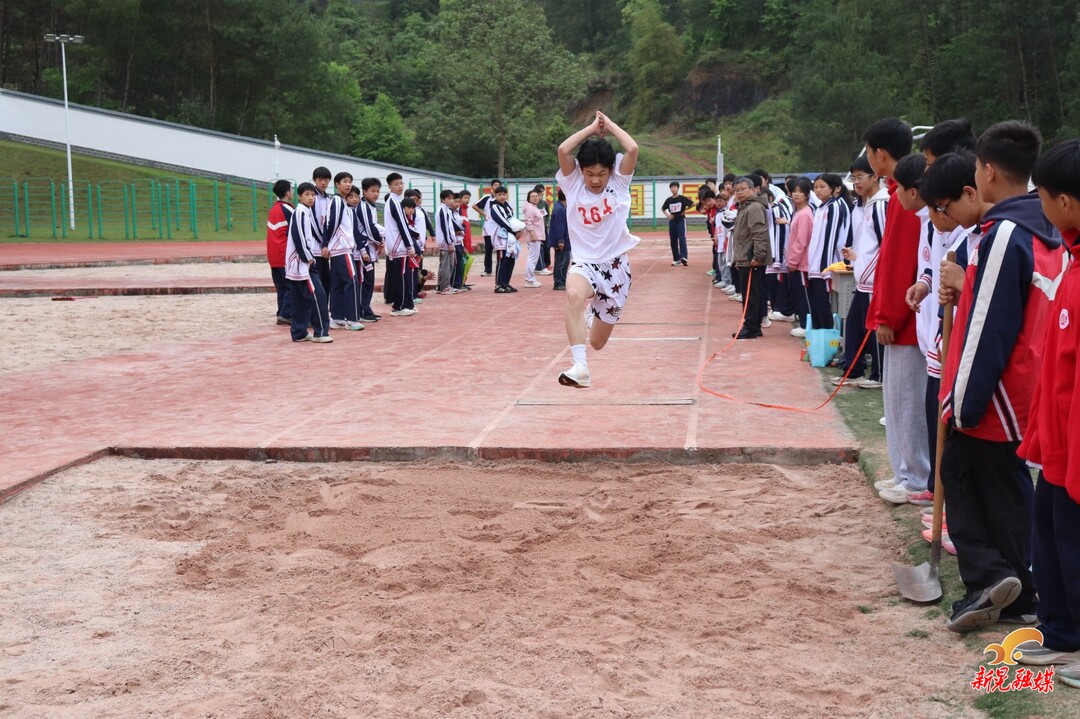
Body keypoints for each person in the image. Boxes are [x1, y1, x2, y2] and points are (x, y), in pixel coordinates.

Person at [928, 121, 1062, 633]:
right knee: (1003, 485)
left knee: (961, 471)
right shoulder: (1039, 225)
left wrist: (962, 400)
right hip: (1023, 382)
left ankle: (991, 576)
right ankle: (1020, 586)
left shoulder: (1005, 232)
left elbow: (990, 323)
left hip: (998, 386)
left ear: (985, 171)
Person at [1015, 139, 1080, 684]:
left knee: (1074, 543)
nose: (1038, 206)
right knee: (1052, 538)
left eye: (1042, 196)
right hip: (1057, 442)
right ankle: (1061, 634)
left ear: (1066, 202)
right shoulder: (1071, 260)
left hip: (1076, 448)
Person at [863, 117, 931, 502]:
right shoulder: (896, 193)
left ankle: (915, 477)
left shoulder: (906, 196)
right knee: (896, 399)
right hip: (898, 314)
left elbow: (902, 263)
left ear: (880, 153)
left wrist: (887, 316)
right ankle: (904, 471)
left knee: (907, 400)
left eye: (869, 152)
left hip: (906, 318)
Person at [555, 111, 640, 388]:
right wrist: (592, 129)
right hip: (584, 263)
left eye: (601, 174)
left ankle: (593, 316)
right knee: (573, 294)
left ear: (610, 171)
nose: (595, 180)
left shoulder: (619, 182)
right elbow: (563, 150)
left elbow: (632, 148)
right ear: (581, 171)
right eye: (590, 173)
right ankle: (580, 367)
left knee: (598, 342)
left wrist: (610, 126)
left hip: (616, 270)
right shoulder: (573, 184)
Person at [835, 155, 886, 389]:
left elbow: (885, 245)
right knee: (855, 324)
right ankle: (853, 370)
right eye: (853, 178)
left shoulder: (881, 204)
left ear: (874, 176)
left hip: (873, 280)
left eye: (860, 177)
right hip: (864, 277)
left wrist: (870, 269)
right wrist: (857, 258)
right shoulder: (866, 205)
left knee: (873, 329)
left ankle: (878, 374)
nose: (856, 182)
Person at [284, 182, 332, 343]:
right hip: (302, 264)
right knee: (318, 295)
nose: (311, 198)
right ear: (299, 197)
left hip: (298, 264)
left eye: (312, 195)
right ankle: (321, 332)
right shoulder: (300, 212)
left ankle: (299, 332)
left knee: (299, 299)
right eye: (307, 195)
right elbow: (298, 236)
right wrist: (308, 257)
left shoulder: (306, 212)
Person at [804, 173, 851, 332]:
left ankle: (827, 336)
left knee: (825, 303)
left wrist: (825, 266)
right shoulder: (821, 207)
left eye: (822, 187)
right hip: (815, 263)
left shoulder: (834, 207)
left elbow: (831, 238)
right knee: (816, 303)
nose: (818, 190)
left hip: (826, 265)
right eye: (816, 187)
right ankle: (818, 335)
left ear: (834, 188)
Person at [730, 176, 771, 339]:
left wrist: (758, 256)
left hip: (751, 259)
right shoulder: (744, 206)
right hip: (745, 257)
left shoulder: (754, 207)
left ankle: (750, 327)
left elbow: (759, 233)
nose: (739, 193)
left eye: (742, 189)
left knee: (751, 295)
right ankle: (754, 326)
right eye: (736, 190)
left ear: (752, 190)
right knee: (752, 293)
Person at [323, 172, 363, 331]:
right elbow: (331, 223)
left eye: (350, 181)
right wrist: (326, 243)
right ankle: (352, 318)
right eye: (345, 181)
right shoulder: (338, 201)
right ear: (337, 184)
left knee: (338, 284)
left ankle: (337, 317)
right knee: (351, 281)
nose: (348, 184)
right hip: (342, 248)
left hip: (339, 248)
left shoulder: (343, 203)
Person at [383, 173, 418, 317]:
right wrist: (410, 246)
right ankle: (399, 306)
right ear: (390, 186)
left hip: (397, 244)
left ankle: (406, 304)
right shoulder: (394, 202)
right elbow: (402, 225)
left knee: (405, 276)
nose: (400, 186)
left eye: (401, 183)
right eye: (396, 184)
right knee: (401, 277)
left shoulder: (397, 201)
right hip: (399, 245)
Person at [784, 177, 815, 338]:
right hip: (798, 262)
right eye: (794, 191)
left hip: (802, 263)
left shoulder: (805, 214)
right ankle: (804, 323)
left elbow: (802, 241)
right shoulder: (799, 212)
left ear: (807, 195)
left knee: (804, 295)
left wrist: (793, 261)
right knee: (799, 293)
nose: (796, 194)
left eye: (800, 192)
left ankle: (806, 325)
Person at [354, 178, 383, 323]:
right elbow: (369, 228)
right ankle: (362, 310)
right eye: (372, 191)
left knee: (369, 280)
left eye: (377, 191)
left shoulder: (371, 206)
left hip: (370, 249)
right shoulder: (363, 206)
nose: (376, 194)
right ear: (364, 191)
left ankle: (366, 308)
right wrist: (380, 241)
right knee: (365, 280)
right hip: (363, 250)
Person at [266, 179, 294, 326]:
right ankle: (285, 314)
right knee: (290, 285)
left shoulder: (273, 209)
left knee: (281, 286)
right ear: (288, 193)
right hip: (285, 254)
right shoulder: (288, 209)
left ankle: (281, 312)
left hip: (274, 255)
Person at [488, 186, 521, 293]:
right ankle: (498, 285)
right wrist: (515, 231)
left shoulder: (507, 206)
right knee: (502, 260)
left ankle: (505, 283)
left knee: (511, 260)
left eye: (504, 194)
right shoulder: (494, 207)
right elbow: (502, 221)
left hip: (510, 238)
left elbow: (512, 219)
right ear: (495, 195)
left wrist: (519, 229)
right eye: (499, 195)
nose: (502, 197)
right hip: (500, 238)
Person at [310, 166, 333, 293]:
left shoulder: (329, 199)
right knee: (317, 280)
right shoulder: (312, 198)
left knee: (326, 280)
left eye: (326, 180)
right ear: (314, 180)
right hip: (315, 246)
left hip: (325, 246)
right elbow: (312, 223)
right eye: (320, 180)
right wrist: (323, 243)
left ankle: (324, 304)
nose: (323, 183)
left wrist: (326, 243)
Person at [473, 179, 502, 276]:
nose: (497, 186)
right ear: (491, 187)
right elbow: (474, 206)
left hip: (499, 228)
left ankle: (500, 269)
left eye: (498, 185)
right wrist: (483, 213)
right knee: (488, 249)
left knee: (500, 249)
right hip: (488, 228)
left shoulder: (502, 199)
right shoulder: (486, 198)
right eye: (495, 185)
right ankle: (487, 270)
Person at [435, 189, 459, 294]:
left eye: (452, 198)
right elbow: (445, 227)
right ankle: (445, 286)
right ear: (442, 199)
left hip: (446, 241)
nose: (451, 201)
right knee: (447, 265)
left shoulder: (446, 210)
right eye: (448, 199)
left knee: (445, 265)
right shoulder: (442, 210)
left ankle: (441, 286)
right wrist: (449, 243)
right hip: (445, 242)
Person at [663, 181, 692, 266]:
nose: (673, 189)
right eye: (671, 187)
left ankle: (684, 257)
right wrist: (668, 215)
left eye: (675, 187)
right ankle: (676, 259)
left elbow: (692, 204)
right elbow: (663, 208)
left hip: (681, 220)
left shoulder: (682, 198)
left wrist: (685, 211)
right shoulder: (669, 200)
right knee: (673, 240)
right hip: (672, 221)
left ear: (678, 188)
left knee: (682, 238)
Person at [521, 188, 546, 288]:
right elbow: (528, 222)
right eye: (533, 197)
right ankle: (529, 279)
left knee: (533, 258)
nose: (535, 198)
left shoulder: (534, 207)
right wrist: (532, 234)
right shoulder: (530, 209)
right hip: (534, 236)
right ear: (529, 198)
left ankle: (531, 278)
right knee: (532, 258)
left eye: (536, 196)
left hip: (537, 235)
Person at [550, 189, 570, 290]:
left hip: (564, 239)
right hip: (562, 240)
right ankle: (558, 282)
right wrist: (560, 240)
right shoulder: (560, 209)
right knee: (561, 262)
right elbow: (559, 226)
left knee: (564, 261)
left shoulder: (561, 207)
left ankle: (562, 280)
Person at [534, 183, 553, 275]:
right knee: (538, 247)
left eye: (542, 193)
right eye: (540, 193)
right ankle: (539, 266)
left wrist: (547, 224)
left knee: (546, 246)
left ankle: (547, 263)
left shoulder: (544, 203)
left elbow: (548, 215)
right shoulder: (532, 204)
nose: (541, 195)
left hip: (544, 227)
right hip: (536, 228)